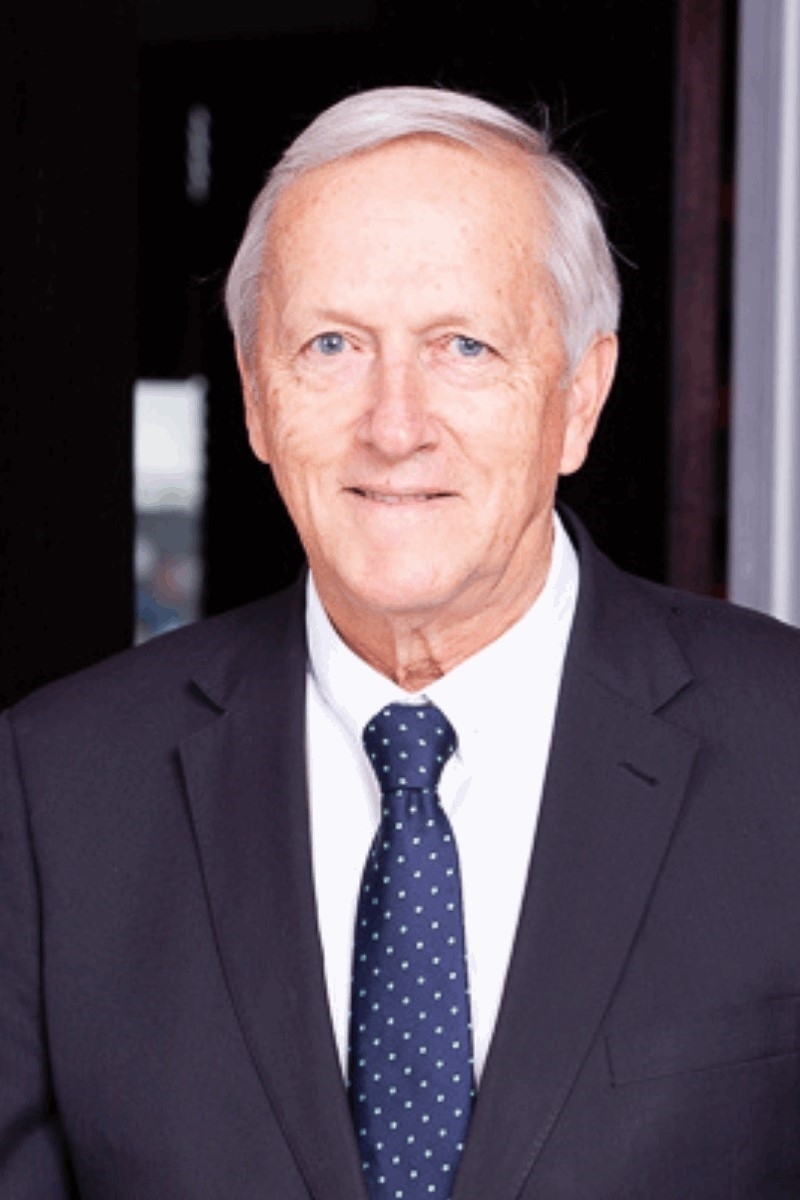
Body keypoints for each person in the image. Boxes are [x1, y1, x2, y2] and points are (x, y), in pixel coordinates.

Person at [1, 86, 799, 1200]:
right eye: (331, 344)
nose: (394, 424)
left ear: (579, 397)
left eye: (462, 346)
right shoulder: (56, 789)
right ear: (256, 397)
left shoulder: (783, 750)